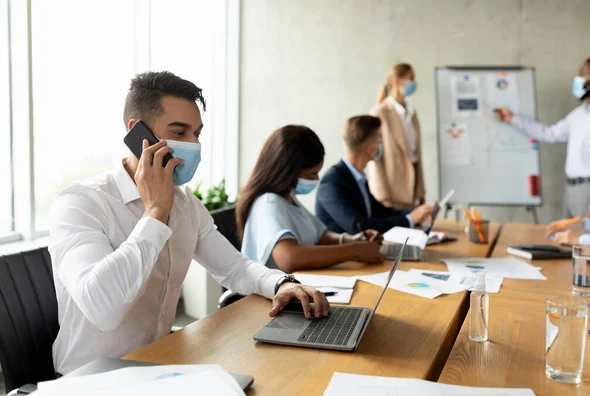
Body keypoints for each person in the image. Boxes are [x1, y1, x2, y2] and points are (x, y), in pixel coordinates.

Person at [48, 71, 329, 375]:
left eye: (196, 134)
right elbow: (103, 309)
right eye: (179, 133)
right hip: (91, 379)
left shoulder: (186, 204)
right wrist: (155, 210)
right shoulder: (80, 203)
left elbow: (234, 267)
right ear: (137, 133)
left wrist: (281, 283)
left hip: (159, 364)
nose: (193, 144)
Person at [237, 125, 386, 273]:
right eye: (310, 175)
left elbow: (319, 236)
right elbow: (289, 258)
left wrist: (352, 240)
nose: (316, 179)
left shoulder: (288, 198)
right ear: (287, 171)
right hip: (271, 295)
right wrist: (355, 250)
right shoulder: (268, 203)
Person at [495, 54, 590, 219]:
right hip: (572, 190)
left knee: (587, 243)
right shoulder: (579, 114)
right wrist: (513, 119)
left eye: (581, 74)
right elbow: (549, 134)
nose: (578, 80)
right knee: (567, 242)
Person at [316, 115, 433, 234]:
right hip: (343, 251)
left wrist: (415, 213)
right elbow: (358, 226)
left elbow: (381, 212)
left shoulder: (358, 177)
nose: (382, 145)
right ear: (370, 149)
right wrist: (409, 220)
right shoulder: (331, 183)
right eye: (380, 141)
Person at [367, 63, 426, 210]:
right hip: (391, 193)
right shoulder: (379, 113)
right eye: (410, 78)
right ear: (395, 81)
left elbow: (416, 155)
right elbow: (375, 159)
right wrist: (382, 195)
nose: (414, 83)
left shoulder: (411, 114)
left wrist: (420, 191)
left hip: (411, 189)